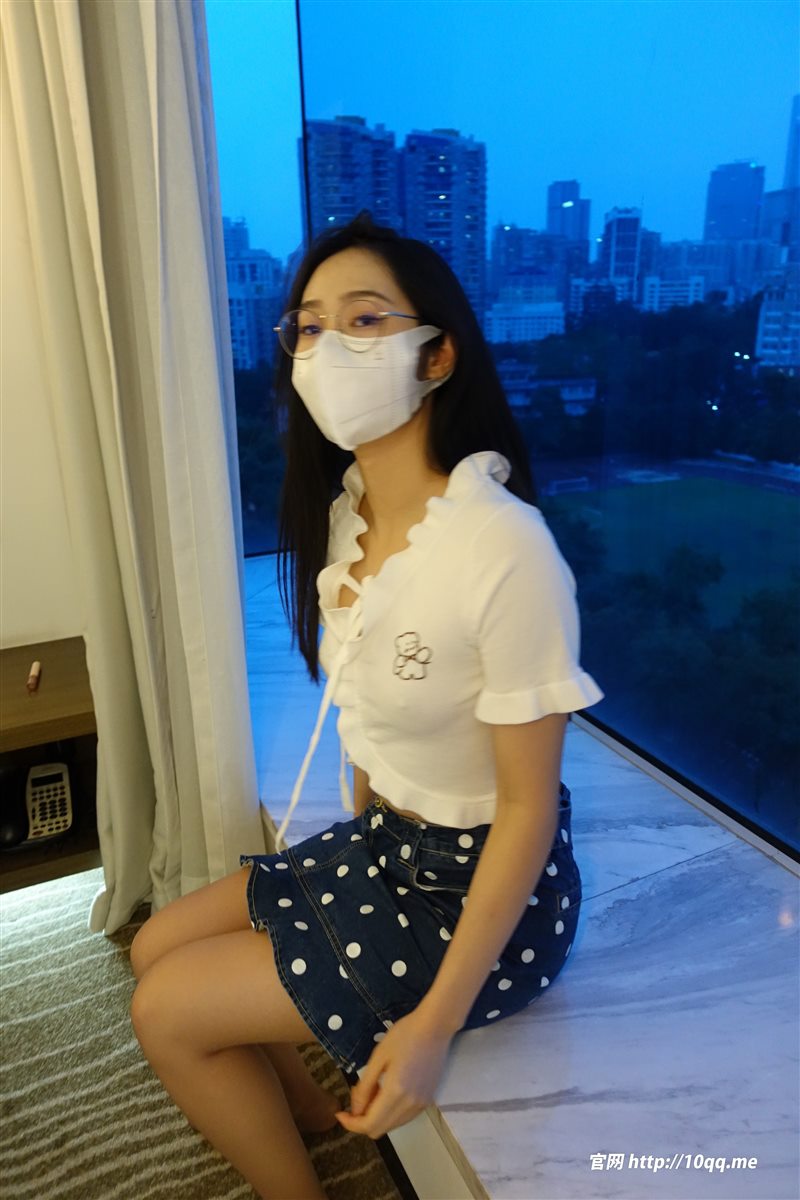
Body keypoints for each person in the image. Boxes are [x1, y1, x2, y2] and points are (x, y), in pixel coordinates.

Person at [129, 209, 604, 1200]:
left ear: (436, 355)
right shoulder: (350, 512)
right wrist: (361, 814)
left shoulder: (501, 547)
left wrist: (431, 1027)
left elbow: (527, 809)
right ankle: (313, 1118)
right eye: (307, 326)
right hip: (391, 845)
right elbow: (370, 699)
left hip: (480, 899)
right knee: (153, 946)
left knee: (164, 1010)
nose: (325, 347)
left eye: (363, 319)